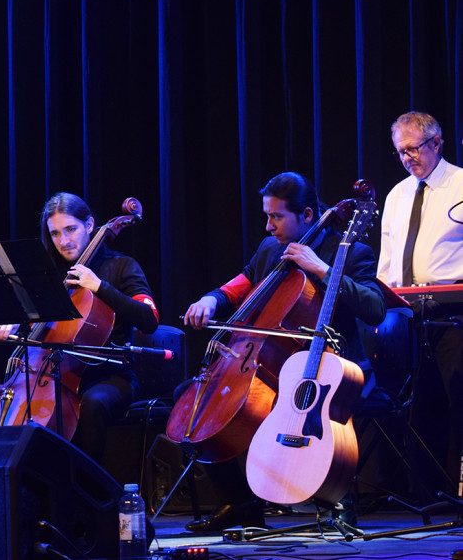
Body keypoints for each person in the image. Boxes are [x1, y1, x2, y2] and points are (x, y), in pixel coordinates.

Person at [180, 172, 385, 533]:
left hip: (329, 369)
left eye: (276, 217)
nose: (268, 225)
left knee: (295, 401)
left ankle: (338, 498)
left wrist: (320, 269)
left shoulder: (350, 251)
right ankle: (241, 503)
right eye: (267, 215)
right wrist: (210, 300)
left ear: (306, 215)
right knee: (194, 402)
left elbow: (374, 308)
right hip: (269, 364)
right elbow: (242, 284)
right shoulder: (269, 250)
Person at [0, 192, 160, 463]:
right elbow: (41, 333)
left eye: (70, 229)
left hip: (110, 375)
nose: (63, 241)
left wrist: (100, 287)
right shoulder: (51, 277)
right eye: (54, 234)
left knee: (92, 404)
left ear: (89, 225)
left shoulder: (122, 266)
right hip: (50, 374)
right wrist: (13, 325)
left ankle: (92, 494)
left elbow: (149, 320)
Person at [377, 111, 463, 500]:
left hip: (453, 313)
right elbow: (387, 260)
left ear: (436, 143)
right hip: (408, 315)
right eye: (400, 152)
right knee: (418, 407)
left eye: (413, 148)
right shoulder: (397, 194)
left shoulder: (460, 184)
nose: (408, 157)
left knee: (457, 399)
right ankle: (426, 495)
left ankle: (456, 491)